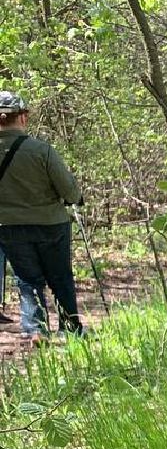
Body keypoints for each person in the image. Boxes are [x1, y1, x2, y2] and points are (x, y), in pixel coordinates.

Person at [0, 90, 85, 340]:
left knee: (27, 280)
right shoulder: (41, 150)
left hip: (9, 226)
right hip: (51, 224)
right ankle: (69, 328)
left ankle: (36, 329)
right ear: (23, 118)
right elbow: (69, 191)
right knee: (59, 276)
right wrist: (74, 198)